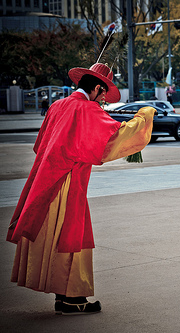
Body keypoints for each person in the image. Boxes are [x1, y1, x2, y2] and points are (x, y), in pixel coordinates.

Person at [6, 63, 155, 315]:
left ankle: (64, 297)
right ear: (97, 88)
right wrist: (144, 118)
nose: (104, 101)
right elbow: (114, 137)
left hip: (44, 180)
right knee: (71, 238)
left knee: (54, 238)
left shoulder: (57, 106)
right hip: (68, 181)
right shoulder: (87, 109)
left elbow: (39, 145)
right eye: (104, 94)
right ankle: (73, 299)